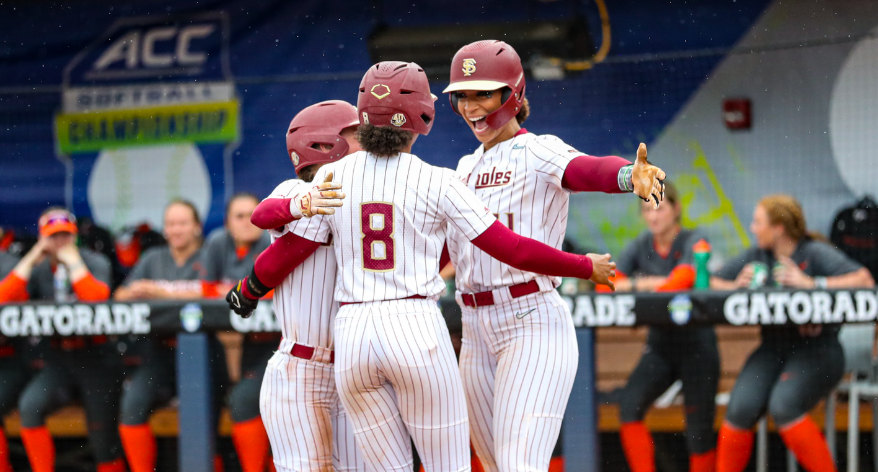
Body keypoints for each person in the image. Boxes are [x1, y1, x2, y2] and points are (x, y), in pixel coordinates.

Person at [227, 61, 615, 472]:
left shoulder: (334, 179)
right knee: (449, 465)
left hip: (354, 335)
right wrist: (582, 266)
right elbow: (512, 248)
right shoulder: (439, 178)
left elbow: (280, 247)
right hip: (413, 324)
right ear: (422, 116)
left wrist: (248, 289)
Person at [441, 40, 667, 472]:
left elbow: (584, 170)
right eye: (463, 95)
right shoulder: (464, 168)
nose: (471, 106)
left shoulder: (538, 149)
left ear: (514, 94)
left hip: (530, 319)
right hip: (473, 326)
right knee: (494, 465)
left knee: (519, 464)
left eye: (483, 93)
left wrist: (625, 175)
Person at [233, 99, 364, 472]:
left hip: (355, 371)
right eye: (354, 133)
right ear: (323, 144)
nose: (365, 139)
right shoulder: (296, 188)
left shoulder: (368, 193)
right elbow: (262, 214)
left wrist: (251, 287)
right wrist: (302, 204)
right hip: (301, 368)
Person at [711, 194, 875, 472]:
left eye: (758, 222)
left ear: (778, 228)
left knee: (784, 404)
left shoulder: (813, 252)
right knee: (740, 408)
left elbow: (864, 279)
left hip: (818, 349)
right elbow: (707, 280)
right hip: (774, 348)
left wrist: (813, 284)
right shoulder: (758, 256)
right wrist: (734, 285)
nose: (753, 228)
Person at [600, 182, 719, 472]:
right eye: (646, 209)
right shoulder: (640, 245)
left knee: (699, 432)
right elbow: (606, 284)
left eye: (660, 208)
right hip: (661, 345)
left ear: (676, 209)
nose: (653, 216)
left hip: (698, 346)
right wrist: (647, 284)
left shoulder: (693, 238)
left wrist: (643, 288)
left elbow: (685, 278)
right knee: (629, 407)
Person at [0, 208, 125, 472]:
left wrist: (74, 263)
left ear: (75, 236)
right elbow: (4, 298)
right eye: (53, 237)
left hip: (97, 358)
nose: (60, 243)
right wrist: (33, 257)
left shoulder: (94, 261)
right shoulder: (40, 268)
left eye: (65, 236)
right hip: (58, 358)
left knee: (103, 438)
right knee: (30, 408)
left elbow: (96, 300)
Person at [114, 199, 227, 472]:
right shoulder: (154, 257)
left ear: (197, 227)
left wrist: (161, 293)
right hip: (159, 353)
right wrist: (137, 291)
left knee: (206, 421)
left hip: (205, 353)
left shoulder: (210, 254)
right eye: (171, 224)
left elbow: (222, 291)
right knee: (131, 407)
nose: (176, 230)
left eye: (183, 223)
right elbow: (119, 295)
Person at [202, 192, 276, 472]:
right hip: (241, 346)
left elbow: (275, 289)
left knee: (247, 400)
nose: (247, 222)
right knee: (217, 396)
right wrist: (242, 292)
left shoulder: (273, 238)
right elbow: (206, 291)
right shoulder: (218, 242)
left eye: (252, 215)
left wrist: (238, 290)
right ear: (227, 222)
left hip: (278, 343)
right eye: (239, 216)